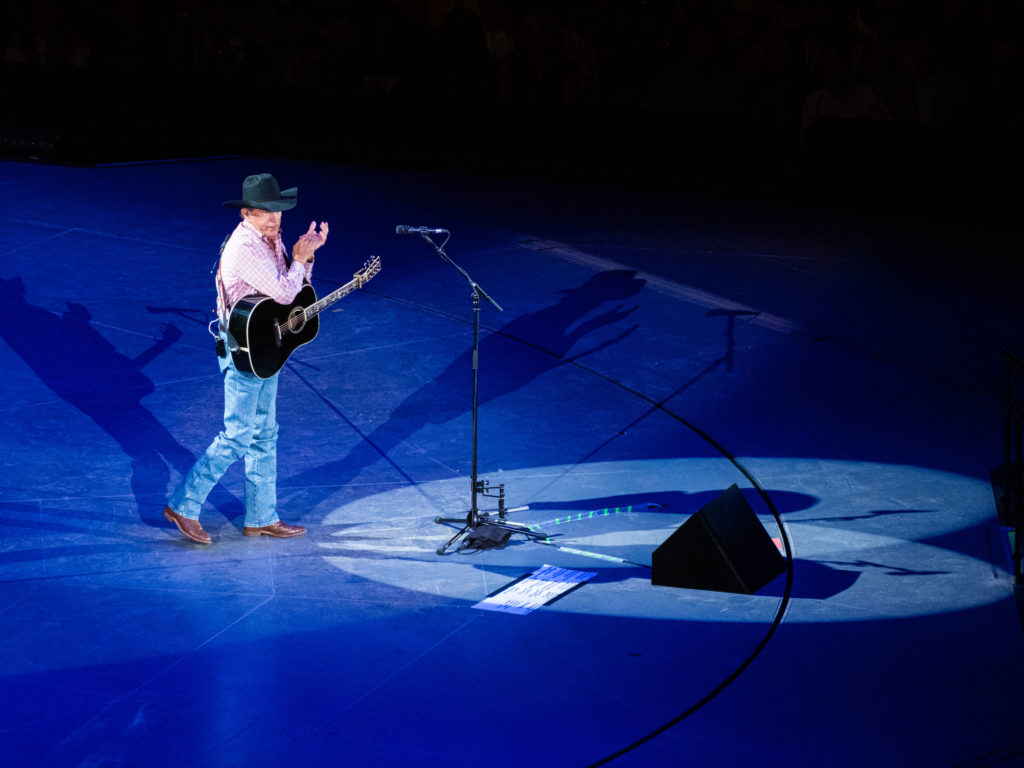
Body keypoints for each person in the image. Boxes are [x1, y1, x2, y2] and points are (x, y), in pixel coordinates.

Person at [162, 173, 329, 544]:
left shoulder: (270, 238)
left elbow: (291, 285)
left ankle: (261, 516)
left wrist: (306, 257)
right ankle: (183, 506)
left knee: (265, 435)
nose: (274, 219)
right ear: (245, 213)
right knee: (238, 436)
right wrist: (300, 260)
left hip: (265, 344)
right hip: (243, 351)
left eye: (278, 211)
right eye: (263, 212)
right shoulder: (246, 248)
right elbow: (286, 294)